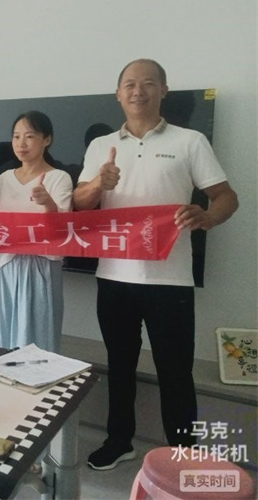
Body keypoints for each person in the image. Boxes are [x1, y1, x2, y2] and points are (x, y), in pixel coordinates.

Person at [75, 59, 238, 470]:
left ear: (164, 90)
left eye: (148, 83)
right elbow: (78, 204)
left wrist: (207, 217)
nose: (138, 91)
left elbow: (225, 196)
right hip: (114, 276)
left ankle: (183, 455)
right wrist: (98, 184)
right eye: (130, 84)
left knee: (175, 372)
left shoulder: (190, 140)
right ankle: (119, 441)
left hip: (171, 279)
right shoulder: (101, 146)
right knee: (120, 365)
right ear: (118, 93)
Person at [0, 111, 73, 353]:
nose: (21, 143)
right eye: (16, 136)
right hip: (4, 266)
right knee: (5, 337)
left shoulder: (59, 178)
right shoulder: (4, 178)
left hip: (40, 267)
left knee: (37, 340)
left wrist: (48, 203)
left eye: (29, 136)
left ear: (47, 140)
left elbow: (62, 230)